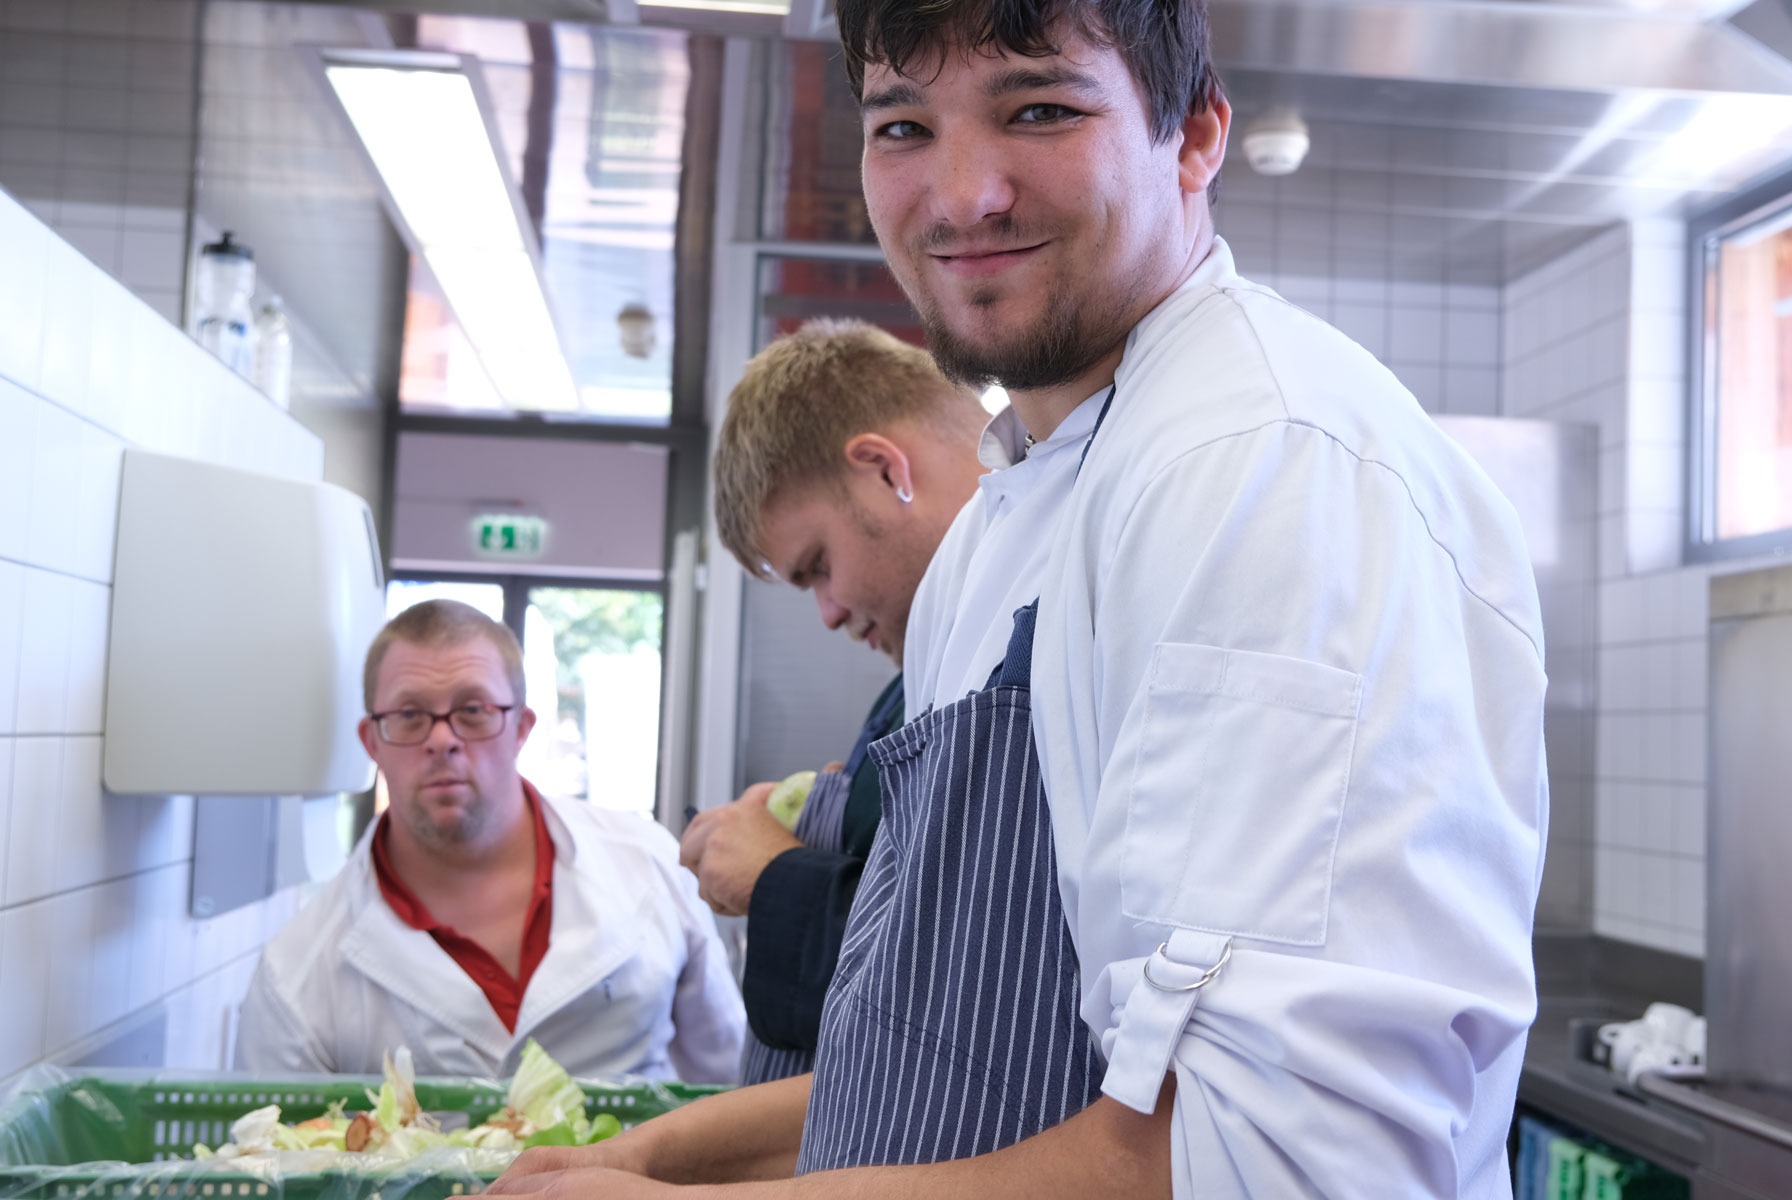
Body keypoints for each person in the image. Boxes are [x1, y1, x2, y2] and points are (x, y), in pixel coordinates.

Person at [492, 0, 1547, 1194]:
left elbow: (1267, 1162)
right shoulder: (1011, 511)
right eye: (902, 126)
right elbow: (950, 1074)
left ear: (1194, 137)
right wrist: (658, 1154)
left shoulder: (1260, 469)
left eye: (1038, 108)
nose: (960, 195)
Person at [236, 599, 745, 1082]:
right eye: (410, 715)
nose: (442, 739)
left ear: (520, 728)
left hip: (644, 1174)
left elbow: (732, 1083)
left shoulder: (648, 864)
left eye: (472, 710)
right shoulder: (296, 974)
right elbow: (273, 1163)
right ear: (372, 742)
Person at [678, 318, 990, 1085]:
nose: (829, 612)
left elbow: (984, 988)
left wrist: (774, 876)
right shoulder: (923, 676)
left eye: (818, 566)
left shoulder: (1046, 629)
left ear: (884, 470)